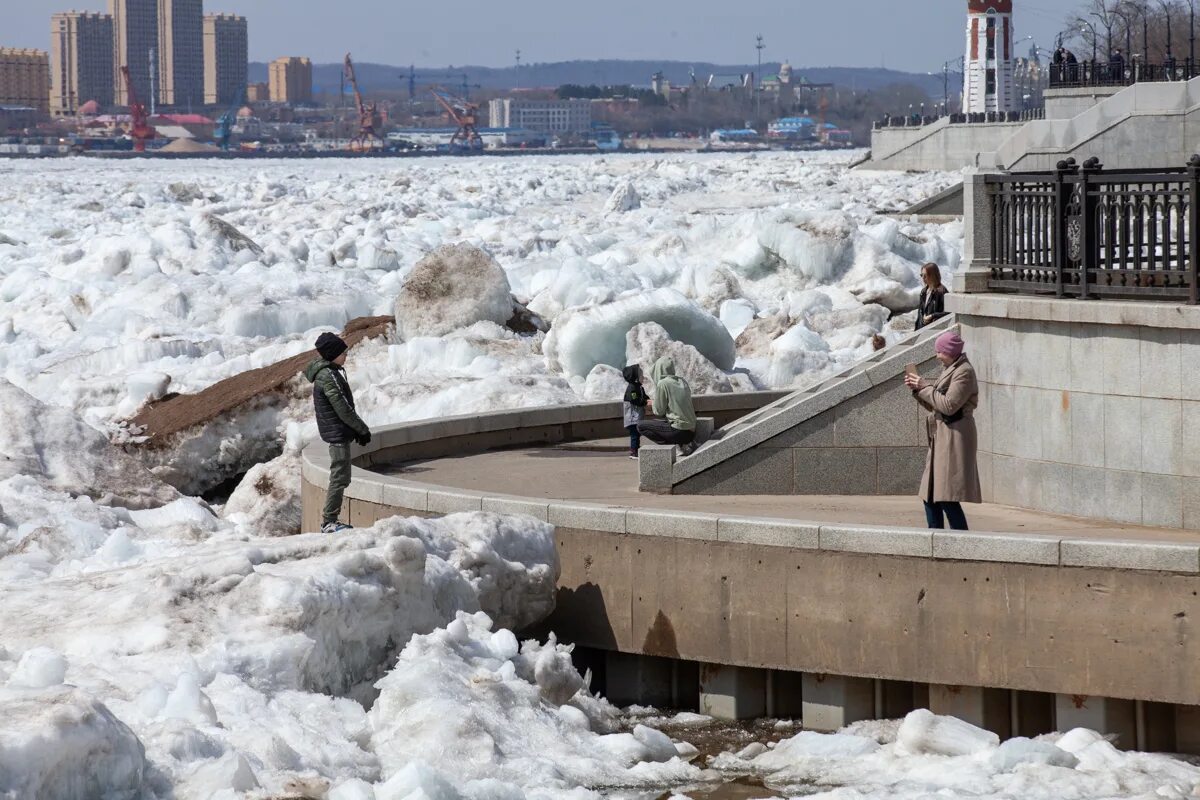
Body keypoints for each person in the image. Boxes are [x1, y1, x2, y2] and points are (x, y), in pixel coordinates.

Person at [903, 330, 980, 531]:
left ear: (950, 351)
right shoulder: (950, 368)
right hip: (941, 435)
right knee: (929, 495)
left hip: (955, 436)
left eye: (940, 352)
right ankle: (934, 538)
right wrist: (917, 389)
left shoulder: (964, 372)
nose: (937, 356)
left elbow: (948, 405)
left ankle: (961, 541)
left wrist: (924, 386)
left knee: (947, 496)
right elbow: (936, 403)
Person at [304, 332, 372, 533]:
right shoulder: (328, 376)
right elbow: (342, 407)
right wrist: (361, 429)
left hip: (337, 431)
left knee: (341, 476)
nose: (346, 356)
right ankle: (329, 521)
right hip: (337, 432)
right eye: (343, 352)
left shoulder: (330, 373)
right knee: (339, 476)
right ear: (333, 353)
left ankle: (330, 519)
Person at [637, 356, 698, 457]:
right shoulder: (682, 381)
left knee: (640, 426)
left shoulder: (663, 383)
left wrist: (653, 403)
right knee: (666, 422)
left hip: (679, 432)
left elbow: (659, 412)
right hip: (692, 431)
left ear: (658, 370)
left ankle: (675, 447)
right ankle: (684, 444)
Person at [622, 365, 648, 460]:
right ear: (636, 378)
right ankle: (633, 451)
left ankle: (636, 449)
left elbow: (644, 396)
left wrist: (648, 400)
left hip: (636, 417)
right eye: (641, 376)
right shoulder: (632, 388)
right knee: (634, 434)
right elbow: (634, 400)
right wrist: (644, 402)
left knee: (637, 434)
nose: (643, 377)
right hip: (632, 417)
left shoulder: (639, 387)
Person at [915, 262, 948, 330]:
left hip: (934, 330)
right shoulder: (924, 291)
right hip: (922, 329)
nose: (923, 278)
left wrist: (932, 316)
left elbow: (948, 312)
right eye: (921, 275)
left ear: (932, 275)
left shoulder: (941, 292)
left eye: (925, 276)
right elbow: (920, 311)